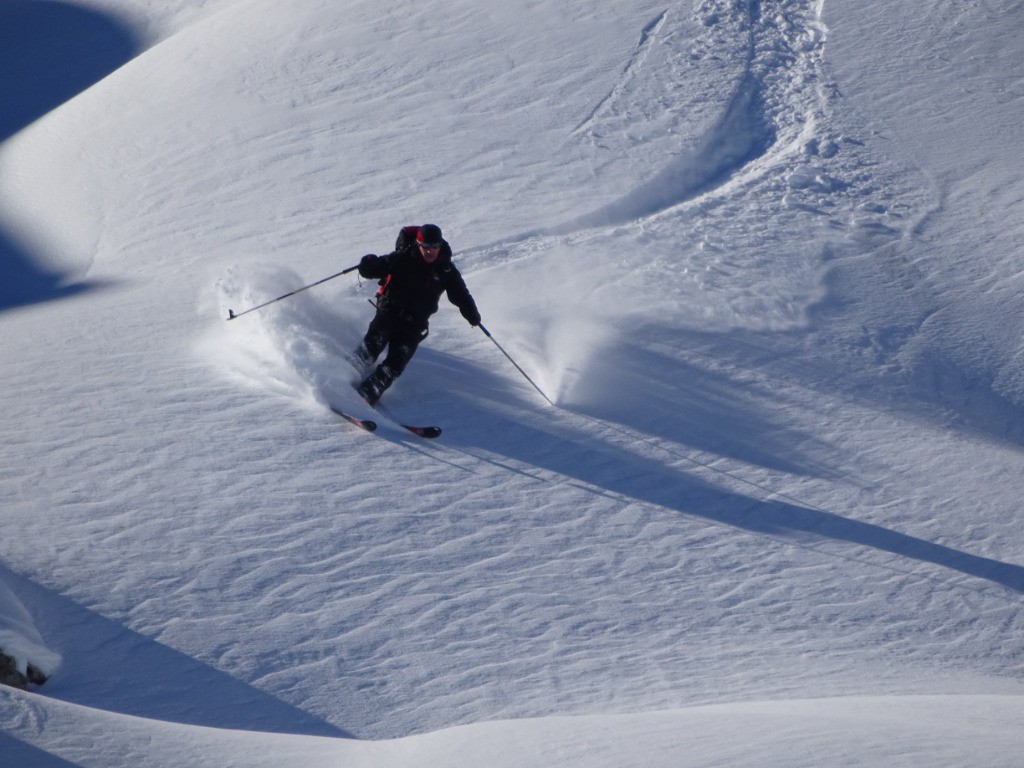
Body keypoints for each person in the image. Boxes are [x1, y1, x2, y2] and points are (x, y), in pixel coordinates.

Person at [352, 223, 481, 405]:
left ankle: (368, 392)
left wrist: (472, 314)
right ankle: (344, 374)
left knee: (397, 363)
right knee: (374, 343)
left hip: (415, 324)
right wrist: (367, 265)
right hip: (390, 310)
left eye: (435, 246)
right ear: (418, 244)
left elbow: (461, 295)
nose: (431, 251)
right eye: (426, 247)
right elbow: (379, 267)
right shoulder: (403, 258)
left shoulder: (446, 270)